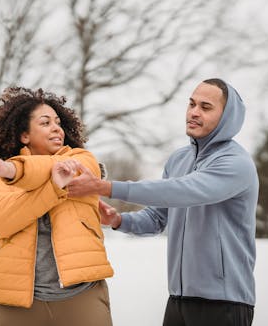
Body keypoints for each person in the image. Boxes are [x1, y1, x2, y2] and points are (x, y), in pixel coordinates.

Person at [67, 78, 258, 326]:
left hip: (225, 303)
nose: (194, 112)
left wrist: (106, 186)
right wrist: (118, 220)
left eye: (206, 107)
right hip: (178, 299)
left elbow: (184, 191)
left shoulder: (235, 163)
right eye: (191, 104)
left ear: (227, 116)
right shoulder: (179, 159)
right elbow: (157, 218)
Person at [0, 87, 114, 326]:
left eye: (58, 122)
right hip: (12, 301)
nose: (57, 128)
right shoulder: (3, 176)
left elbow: (50, 168)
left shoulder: (82, 161)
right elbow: (0, 223)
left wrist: (11, 169)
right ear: (24, 135)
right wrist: (52, 189)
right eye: (45, 122)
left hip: (81, 297)